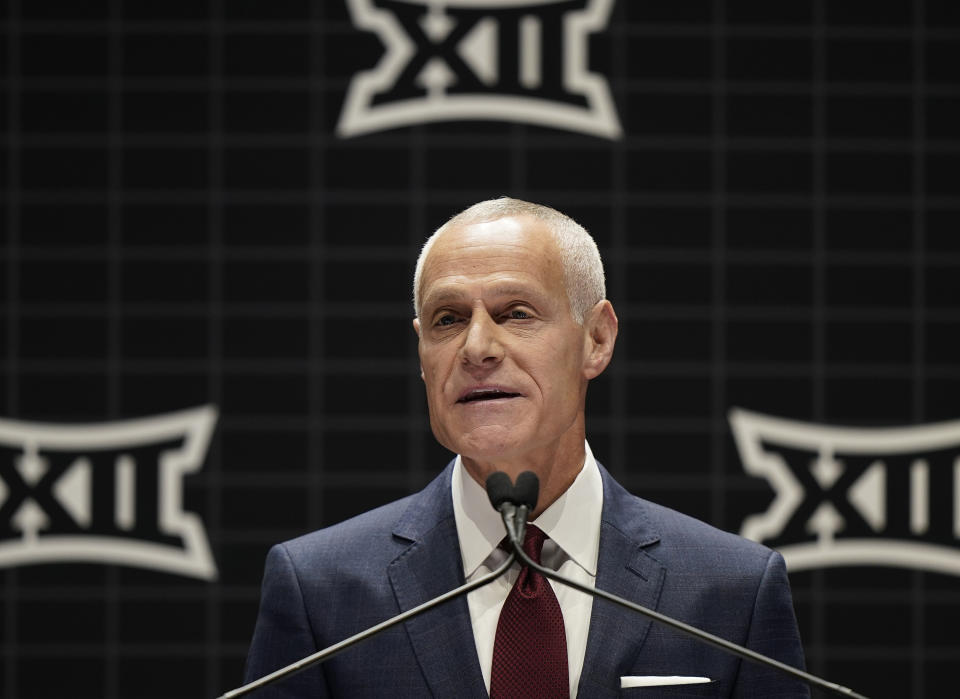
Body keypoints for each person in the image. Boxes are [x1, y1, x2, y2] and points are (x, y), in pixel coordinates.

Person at [243, 198, 809, 697]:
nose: (477, 347)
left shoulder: (732, 591)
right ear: (421, 352)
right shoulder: (321, 591)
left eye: (517, 313)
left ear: (597, 338)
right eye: (448, 319)